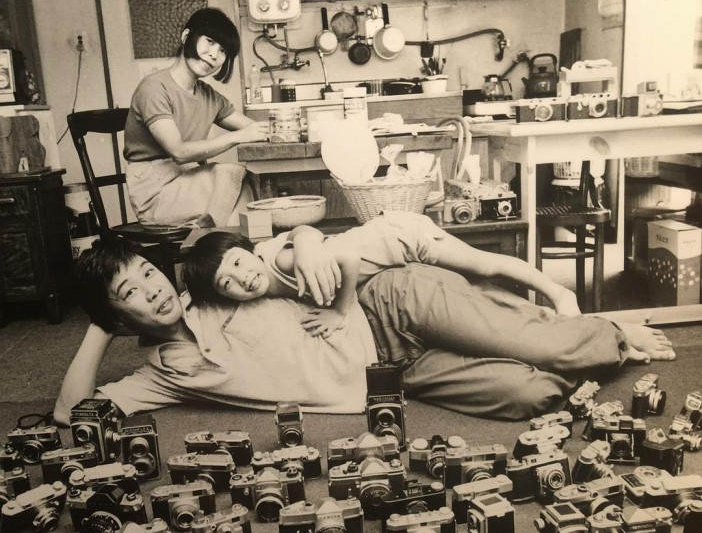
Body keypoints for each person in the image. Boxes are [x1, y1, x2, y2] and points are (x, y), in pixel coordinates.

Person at [53, 232, 676, 426]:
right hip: (395, 377)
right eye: (129, 294)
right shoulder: (163, 375)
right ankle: (516, 321)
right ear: (119, 316)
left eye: (146, 274)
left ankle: (612, 332)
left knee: (544, 340)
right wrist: (100, 326)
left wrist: (307, 249)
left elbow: (289, 248)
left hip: (388, 306)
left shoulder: (210, 288)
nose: (152, 290)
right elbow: (69, 412)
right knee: (532, 395)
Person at [181, 211, 582, 338]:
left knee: (484, 266)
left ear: (248, 249)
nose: (242, 278)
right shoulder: (263, 276)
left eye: (237, 263)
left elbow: (347, 259)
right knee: (469, 289)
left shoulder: (281, 264)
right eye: (227, 284)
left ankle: (559, 293)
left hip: (399, 239)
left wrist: (340, 311)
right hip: (387, 249)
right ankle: (540, 315)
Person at [123, 7, 268, 228]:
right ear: (186, 36)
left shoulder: (208, 96)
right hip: (155, 193)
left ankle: (218, 237)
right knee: (232, 175)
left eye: (223, 51)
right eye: (209, 41)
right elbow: (179, 152)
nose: (214, 55)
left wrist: (285, 127)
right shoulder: (154, 87)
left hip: (189, 181)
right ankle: (218, 237)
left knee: (244, 181)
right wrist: (238, 137)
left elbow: (253, 129)